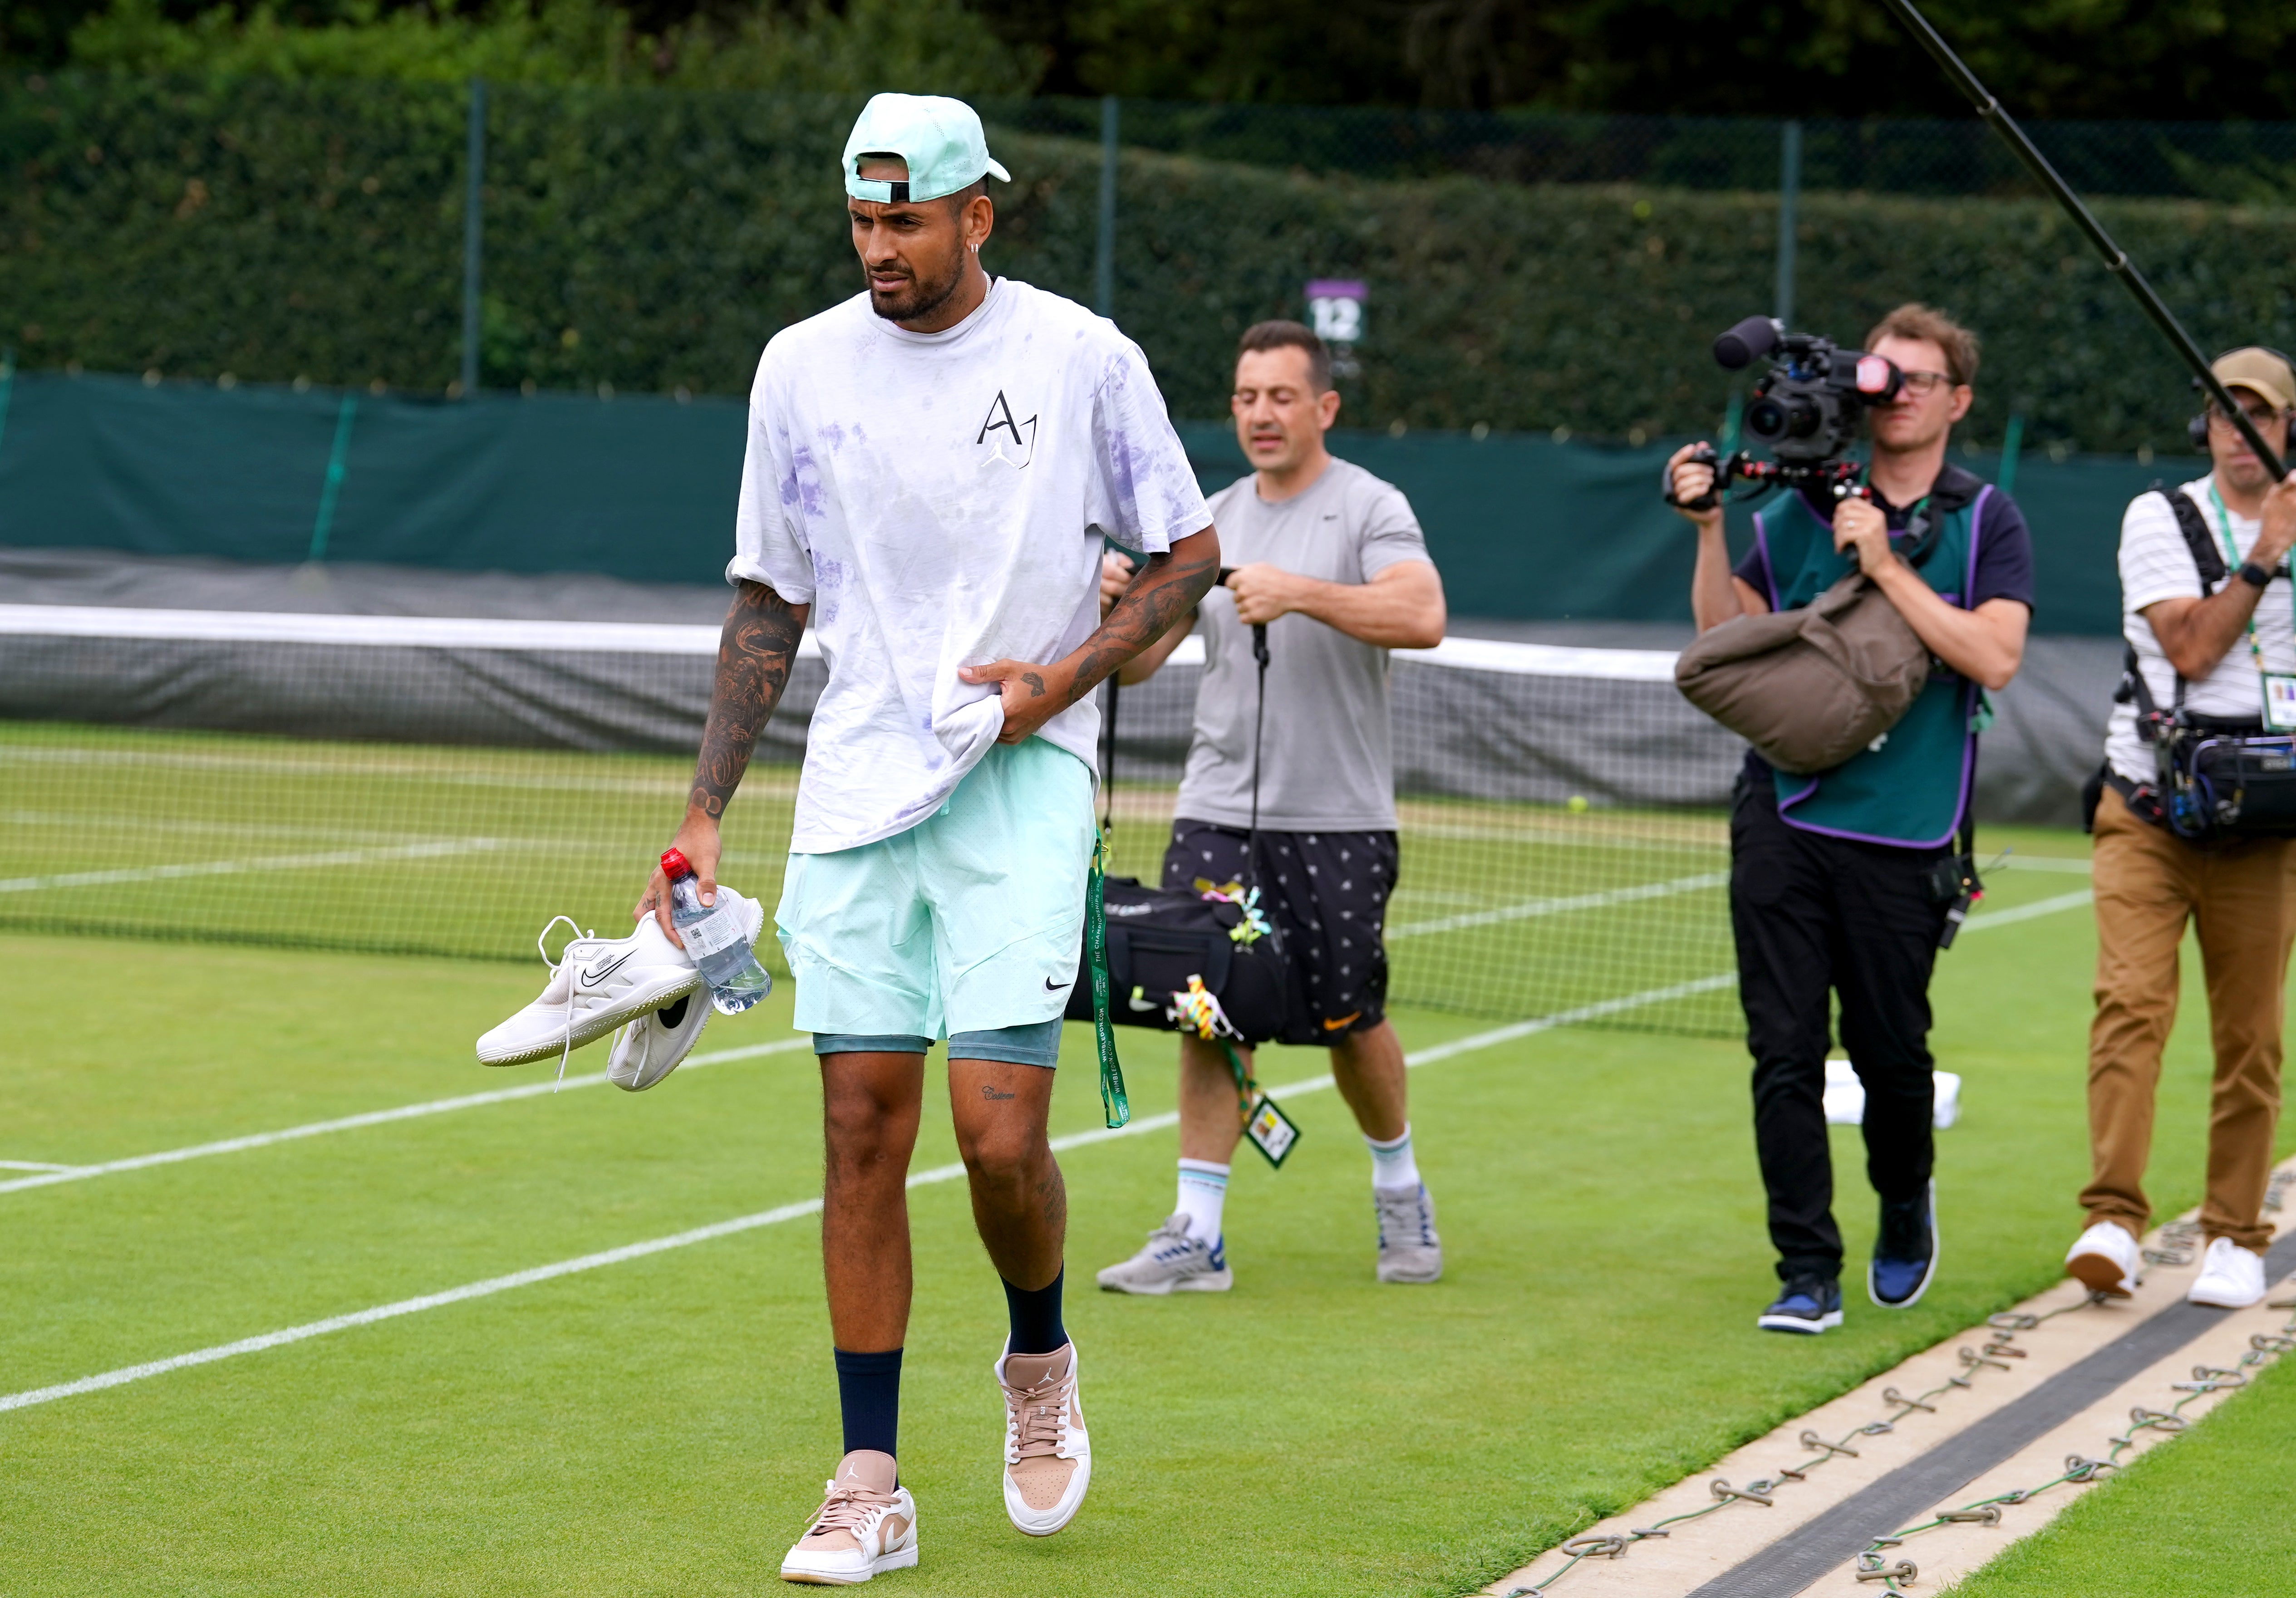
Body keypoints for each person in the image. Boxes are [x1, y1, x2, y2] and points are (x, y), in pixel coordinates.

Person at [632, 93, 1218, 1583]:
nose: (881, 248)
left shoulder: (1079, 357)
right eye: (863, 220)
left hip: (1022, 786)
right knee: (859, 1135)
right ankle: (869, 1482)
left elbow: (1189, 554)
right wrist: (705, 815)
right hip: (852, 797)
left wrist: (1065, 680)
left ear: (978, 215)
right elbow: (771, 597)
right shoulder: (800, 368)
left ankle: (1038, 1357)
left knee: (999, 1135)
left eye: (908, 219)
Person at [1665, 303, 2033, 1335]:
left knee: (1890, 1052)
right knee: (1781, 1048)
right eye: (1885, 375)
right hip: (1783, 813)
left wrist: (1881, 564)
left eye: (1918, 380)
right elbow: (1721, 641)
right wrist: (1706, 528)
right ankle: (1805, 1268)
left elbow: (1994, 658)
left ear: (1957, 400)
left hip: (1906, 831)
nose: (1897, 393)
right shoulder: (1795, 504)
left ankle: (1904, 1202)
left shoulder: (1983, 520)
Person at [1090, 319, 1449, 1294]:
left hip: (1338, 820)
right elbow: (1142, 665)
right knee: (1206, 1015)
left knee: (1347, 1019)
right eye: (1247, 397)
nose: (1260, 414)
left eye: (1280, 396)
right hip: (1213, 813)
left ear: (1323, 408)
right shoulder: (1209, 516)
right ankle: (1195, 1235)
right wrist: (1117, 600)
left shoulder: (1370, 507)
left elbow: (1421, 615)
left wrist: (1303, 593)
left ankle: (1399, 1190)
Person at [2067, 347, 2296, 1310]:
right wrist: (2264, 552)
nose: (2240, 431)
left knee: (2250, 1035)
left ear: (2289, 428)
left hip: (2269, 820)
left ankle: (2233, 1234)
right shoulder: (2157, 517)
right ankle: (2113, 1219)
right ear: (2201, 425)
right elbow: (2193, 649)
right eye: (2222, 412)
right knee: (2130, 1005)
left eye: (2260, 414)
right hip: (2151, 808)